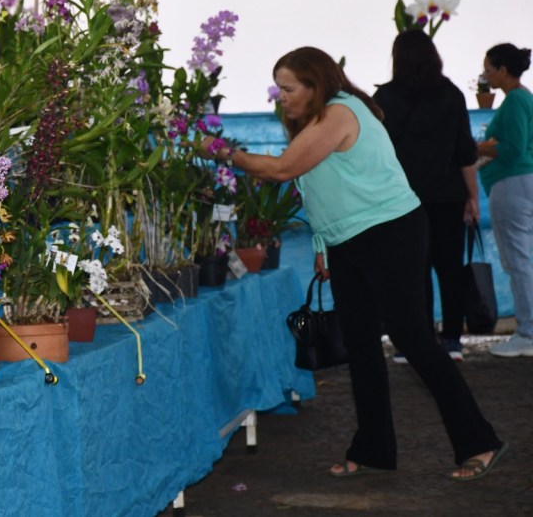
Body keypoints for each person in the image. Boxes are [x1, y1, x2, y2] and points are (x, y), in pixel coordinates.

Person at [200, 46, 505, 480]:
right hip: (349, 240)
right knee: (361, 344)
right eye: (279, 89)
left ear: (315, 85)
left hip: (390, 232)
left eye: (288, 88)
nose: (280, 97)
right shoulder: (314, 121)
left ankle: (481, 442)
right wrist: (324, 244)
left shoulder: (341, 112)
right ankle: (374, 449)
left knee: (413, 338)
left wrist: (225, 153)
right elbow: (319, 184)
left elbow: (283, 170)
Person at [373, 30, 478, 362]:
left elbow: (378, 154)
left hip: (403, 200)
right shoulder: (452, 94)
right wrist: (472, 196)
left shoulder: (385, 98)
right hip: (448, 196)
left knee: (412, 271)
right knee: (450, 269)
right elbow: (466, 150)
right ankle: (452, 341)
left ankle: (417, 342)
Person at [476, 43, 533, 358]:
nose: (485, 73)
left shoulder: (514, 102)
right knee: (522, 259)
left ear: (501, 69)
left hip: (511, 183)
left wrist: (478, 148)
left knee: (517, 261)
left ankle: (527, 331)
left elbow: (512, 147)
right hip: (523, 182)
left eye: (488, 67)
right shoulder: (524, 99)